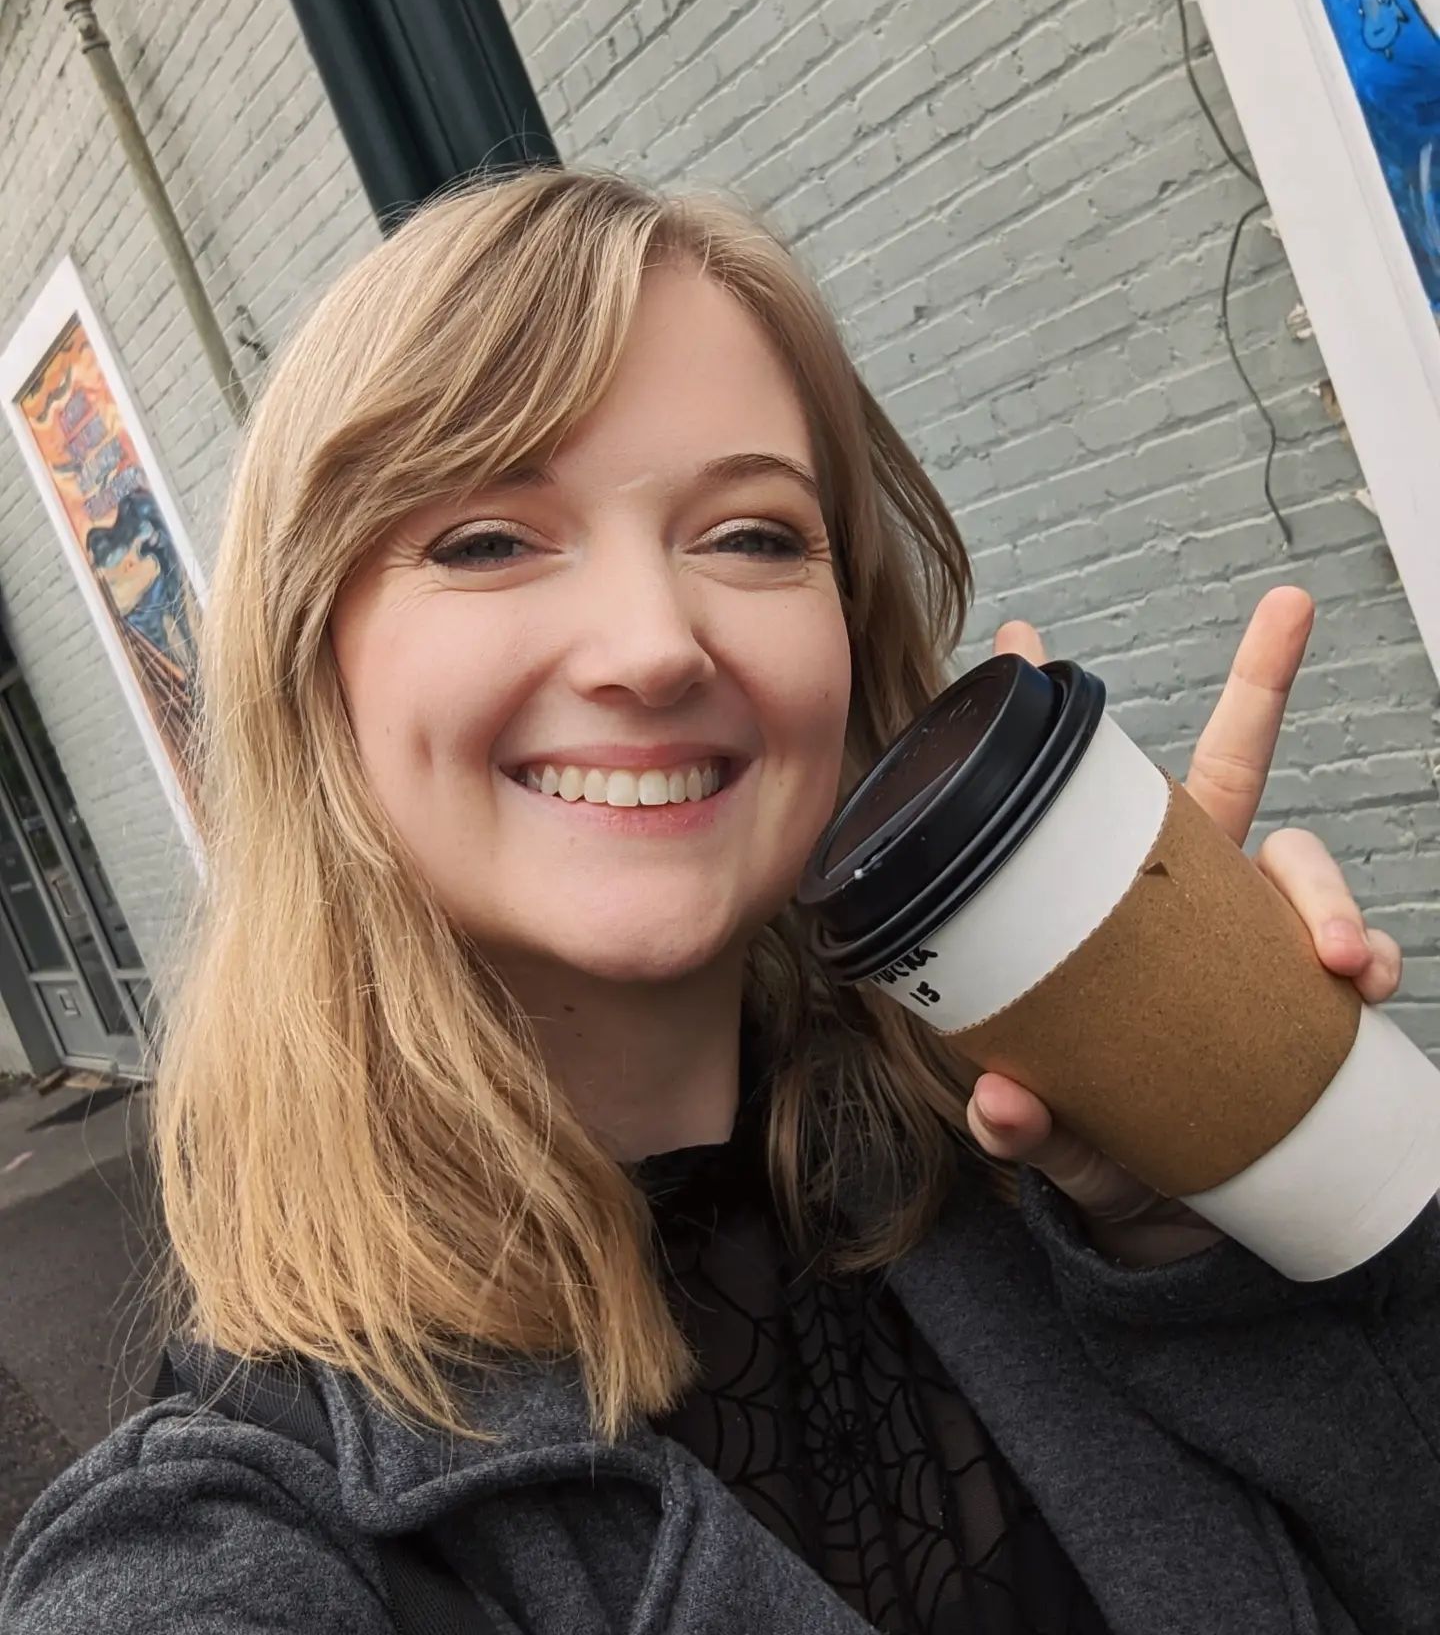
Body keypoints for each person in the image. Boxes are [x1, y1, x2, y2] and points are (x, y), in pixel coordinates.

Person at [1, 166, 1434, 1635]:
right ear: (318, 673)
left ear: (849, 634)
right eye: (489, 540)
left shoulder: (1032, 1177)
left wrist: (1223, 1193)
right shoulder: (233, 1535)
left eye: (751, 536)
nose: (652, 645)